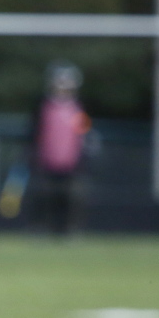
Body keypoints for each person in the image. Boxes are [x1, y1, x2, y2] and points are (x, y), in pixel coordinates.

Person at [29, 61, 91, 235]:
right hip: (45, 161)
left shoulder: (79, 108)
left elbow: (83, 133)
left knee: (72, 197)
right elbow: (36, 133)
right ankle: (41, 228)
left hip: (72, 164)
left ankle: (70, 229)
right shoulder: (43, 106)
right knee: (44, 196)